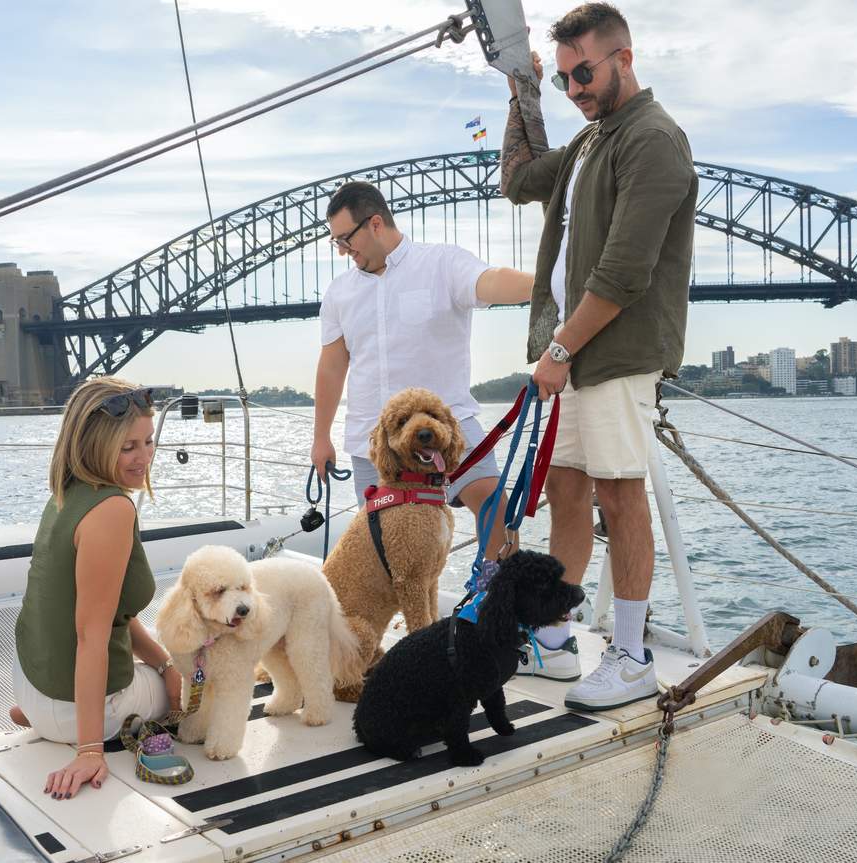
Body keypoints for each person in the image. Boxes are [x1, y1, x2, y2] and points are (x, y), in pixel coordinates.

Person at [501, 3, 697, 709]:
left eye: (583, 71)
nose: (576, 87)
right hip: (574, 356)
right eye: (563, 79)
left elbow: (622, 273)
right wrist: (520, 93)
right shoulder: (589, 143)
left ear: (624, 56)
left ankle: (632, 655)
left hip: (608, 355)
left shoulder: (651, 140)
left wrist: (557, 349)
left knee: (619, 494)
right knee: (567, 493)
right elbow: (518, 178)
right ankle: (554, 640)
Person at [312, 181, 535, 559]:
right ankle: (400, 619)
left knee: (496, 508)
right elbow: (332, 367)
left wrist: (547, 285)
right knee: (380, 550)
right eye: (336, 243)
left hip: (448, 424)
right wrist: (321, 438)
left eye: (346, 240)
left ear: (376, 223)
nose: (342, 251)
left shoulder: (441, 263)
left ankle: (502, 604)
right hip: (374, 439)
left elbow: (491, 281)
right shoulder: (339, 293)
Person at [11, 377, 184, 800]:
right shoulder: (111, 510)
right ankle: (78, 730)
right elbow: (92, 636)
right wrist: (90, 751)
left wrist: (163, 666)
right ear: (93, 445)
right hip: (81, 711)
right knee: (204, 670)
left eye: (148, 441)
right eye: (128, 447)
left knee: (172, 665)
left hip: (32, 690)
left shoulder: (65, 494)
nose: (144, 457)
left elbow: (112, 617)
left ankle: (51, 721)